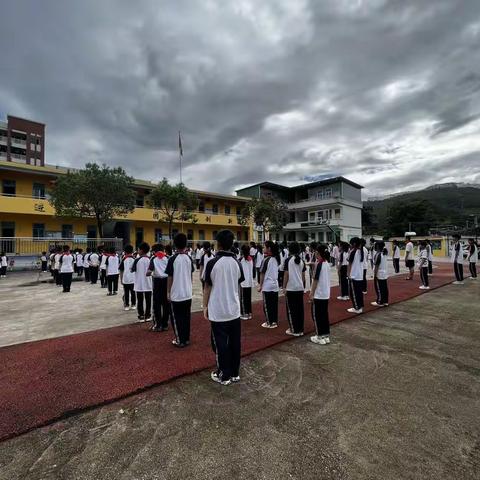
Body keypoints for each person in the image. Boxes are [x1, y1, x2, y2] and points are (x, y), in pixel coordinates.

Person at [203, 229, 244, 385]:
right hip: (233, 310)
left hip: (218, 310)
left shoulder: (213, 263)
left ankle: (223, 374)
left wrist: (205, 306)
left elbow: (207, 287)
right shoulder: (236, 262)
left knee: (220, 344)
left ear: (218, 244)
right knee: (235, 342)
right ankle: (234, 373)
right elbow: (239, 285)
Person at [166, 233, 195, 347]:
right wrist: (189, 287)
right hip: (187, 293)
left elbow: (170, 277)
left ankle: (180, 340)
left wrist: (168, 292)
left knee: (176, 318)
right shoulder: (188, 258)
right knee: (186, 317)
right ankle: (186, 338)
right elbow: (191, 275)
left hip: (177, 294)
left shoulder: (173, 259)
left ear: (175, 244)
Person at [309, 244, 331, 345]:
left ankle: (319, 336)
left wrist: (311, 293)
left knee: (317, 316)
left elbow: (315, 280)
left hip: (319, 294)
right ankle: (325, 335)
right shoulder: (326, 263)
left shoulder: (320, 264)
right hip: (325, 294)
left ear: (317, 253)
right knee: (324, 315)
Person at [283, 241, 305, 336]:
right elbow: (303, 276)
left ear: (290, 250)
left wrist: (284, 287)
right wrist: (302, 286)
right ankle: (300, 329)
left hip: (291, 288)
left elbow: (286, 275)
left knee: (291, 310)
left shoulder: (288, 260)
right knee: (300, 309)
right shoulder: (301, 261)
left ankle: (294, 329)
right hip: (300, 288)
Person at [257, 240, 280, 328]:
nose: (263, 248)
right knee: (274, 305)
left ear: (269, 248)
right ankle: (274, 321)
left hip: (267, 285)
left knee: (267, 305)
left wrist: (260, 286)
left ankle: (269, 322)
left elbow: (262, 273)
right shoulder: (276, 259)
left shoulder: (266, 260)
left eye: (264, 247)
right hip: (275, 285)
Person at [147, 243, 170, 331]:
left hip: (157, 282)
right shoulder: (167, 258)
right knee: (166, 303)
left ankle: (157, 324)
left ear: (154, 251)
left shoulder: (153, 258)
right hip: (166, 281)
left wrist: (148, 273)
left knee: (156, 304)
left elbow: (149, 271)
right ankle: (165, 324)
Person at [132, 242, 152, 321]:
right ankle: (148, 315)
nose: (138, 251)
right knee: (148, 300)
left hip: (139, 284)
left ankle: (141, 315)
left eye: (138, 249)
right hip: (148, 284)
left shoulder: (137, 260)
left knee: (140, 300)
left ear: (141, 250)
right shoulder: (150, 259)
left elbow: (132, 270)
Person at [347, 237, 364, 314]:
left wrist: (348, 275)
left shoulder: (353, 252)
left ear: (354, 244)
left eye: (351, 244)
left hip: (354, 275)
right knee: (359, 292)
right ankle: (360, 306)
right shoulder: (362, 251)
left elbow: (349, 264)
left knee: (353, 293)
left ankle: (357, 307)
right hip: (360, 275)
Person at [371, 241, 389, 306]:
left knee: (379, 288)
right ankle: (385, 301)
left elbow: (376, 266)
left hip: (379, 273)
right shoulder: (385, 253)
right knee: (384, 288)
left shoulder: (378, 254)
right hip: (384, 273)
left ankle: (380, 301)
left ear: (377, 246)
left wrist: (375, 275)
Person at [119, 245, 136, 311]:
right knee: (133, 293)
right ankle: (133, 304)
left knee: (126, 293)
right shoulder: (134, 259)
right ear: (132, 251)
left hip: (125, 279)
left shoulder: (123, 259)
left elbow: (121, 270)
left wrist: (121, 279)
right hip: (133, 279)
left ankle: (126, 305)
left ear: (125, 251)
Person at [239, 244, 254, 320]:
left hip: (243, 282)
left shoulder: (241, 259)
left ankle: (245, 313)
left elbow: (239, 272)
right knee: (248, 298)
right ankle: (249, 313)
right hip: (249, 282)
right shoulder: (250, 259)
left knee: (243, 299)